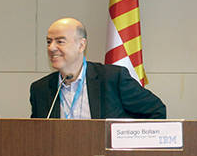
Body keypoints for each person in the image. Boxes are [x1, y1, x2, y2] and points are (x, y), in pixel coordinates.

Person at [30, 17, 166, 119]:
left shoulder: (112, 79)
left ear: (81, 45)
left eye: (60, 41)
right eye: (49, 42)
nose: (51, 48)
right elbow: (36, 135)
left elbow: (156, 111)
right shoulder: (40, 89)